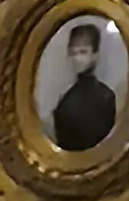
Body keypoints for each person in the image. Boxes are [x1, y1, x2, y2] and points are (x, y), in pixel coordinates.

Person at [45, 19, 118, 155]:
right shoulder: (66, 97)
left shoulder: (105, 96)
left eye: (83, 52)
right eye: (73, 53)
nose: (77, 58)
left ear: (94, 55)